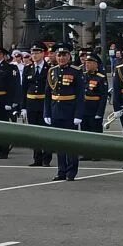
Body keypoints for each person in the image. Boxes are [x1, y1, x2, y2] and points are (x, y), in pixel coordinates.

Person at [45, 45, 85, 181]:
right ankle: (61, 170)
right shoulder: (52, 71)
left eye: (64, 55)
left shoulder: (76, 71)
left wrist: (78, 115)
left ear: (69, 57)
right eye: (59, 55)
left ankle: (71, 171)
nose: (61, 58)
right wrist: (47, 113)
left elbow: (80, 95)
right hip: (56, 110)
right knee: (59, 143)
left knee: (71, 143)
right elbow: (48, 94)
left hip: (70, 111)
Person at [24, 43, 52, 167]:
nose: (34, 55)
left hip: (44, 103)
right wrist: (23, 106)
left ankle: (46, 158)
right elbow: (24, 88)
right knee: (33, 132)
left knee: (45, 131)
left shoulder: (49, 68)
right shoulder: (28, 68)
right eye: (33, 53)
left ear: (43, 53)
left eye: (37, 53)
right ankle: (37, 158)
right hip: (31, 103)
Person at [80, 53, 108, 135]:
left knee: (95, 132)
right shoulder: (83, 76)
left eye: (89, 63)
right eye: (86, 63)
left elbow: (103, 97)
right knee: (84, 132)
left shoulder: (100, 78)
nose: (87, 65)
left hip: (94, 109)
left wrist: (100, 113)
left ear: (96, 64)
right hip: (84, 109)